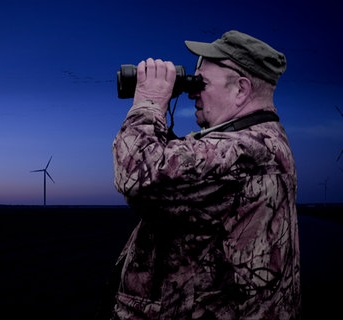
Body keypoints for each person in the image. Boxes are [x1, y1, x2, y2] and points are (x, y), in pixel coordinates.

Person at [101, 30, 301, 319]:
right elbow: (169, 191)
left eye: (201, 82)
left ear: (241, 89)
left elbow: (135, 172)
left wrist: (149, 101)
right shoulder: (264, 141)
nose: (192, 91)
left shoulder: (245, 150)